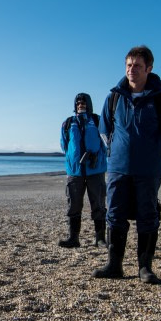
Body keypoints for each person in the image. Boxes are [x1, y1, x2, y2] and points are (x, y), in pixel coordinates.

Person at [93, 45, 161, 283]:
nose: (132, 70)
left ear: (149, 68)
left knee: (148, 216)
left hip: (149, 170)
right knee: (115, 215)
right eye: (128, 65)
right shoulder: (114, 97)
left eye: (137, 65)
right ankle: (114, 265)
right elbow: (105, 131)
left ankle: (145, 268)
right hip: (118, 168)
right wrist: (116, 153)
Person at [58, 93, 107, 248]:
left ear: (89, 104)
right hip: (75, 172)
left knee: (98, 204)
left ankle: (100, 239)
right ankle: (74, 238)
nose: (81, 105)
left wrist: (95, 156)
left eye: (84, 102)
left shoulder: (98, 120)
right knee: (73, 205)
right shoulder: (68, 123)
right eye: (78, 102)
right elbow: (64, 145)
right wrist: (74, 158)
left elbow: (106, 143)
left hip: (96, 171)